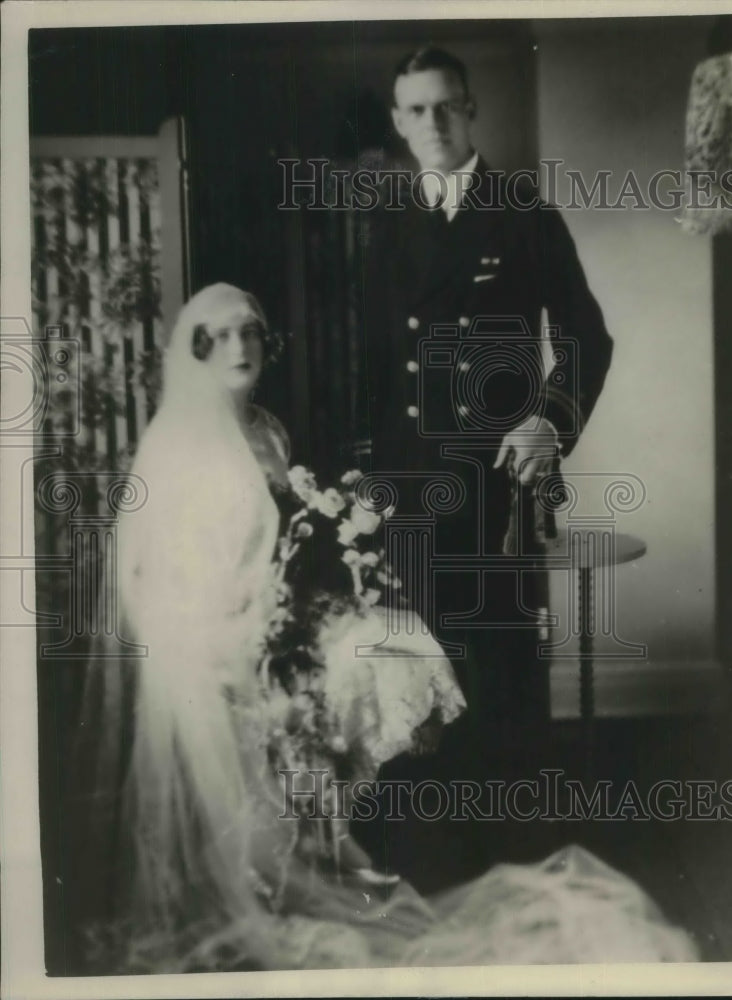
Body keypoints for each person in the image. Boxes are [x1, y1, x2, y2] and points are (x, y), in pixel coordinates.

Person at [72, 283, 696, 972]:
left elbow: (289, 544)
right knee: (333, 695)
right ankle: (288, 869)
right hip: (215, 648)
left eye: (249, 331)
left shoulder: (267, 431)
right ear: (191, 354)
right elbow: (167, 584)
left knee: (403, 648)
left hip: (276, 624)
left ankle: (330, 852)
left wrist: (323, 599)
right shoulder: (182, 448)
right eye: (216, 338)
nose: (238, 348)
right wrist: (261, 638)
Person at [355, 46, 614, 753]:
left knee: (501, 673)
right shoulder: (387, 223)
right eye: (416, 109)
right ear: (398, 122)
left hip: (494, 486)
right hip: (407, 486)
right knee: (420, 681)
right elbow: (372, 366)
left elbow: (586, 337)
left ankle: (514, 837)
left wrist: (548, 422)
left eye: (446, 105)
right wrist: (364, 480)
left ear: (469, 110)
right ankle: (437, 855)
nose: (432, 121)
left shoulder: (523, 213)